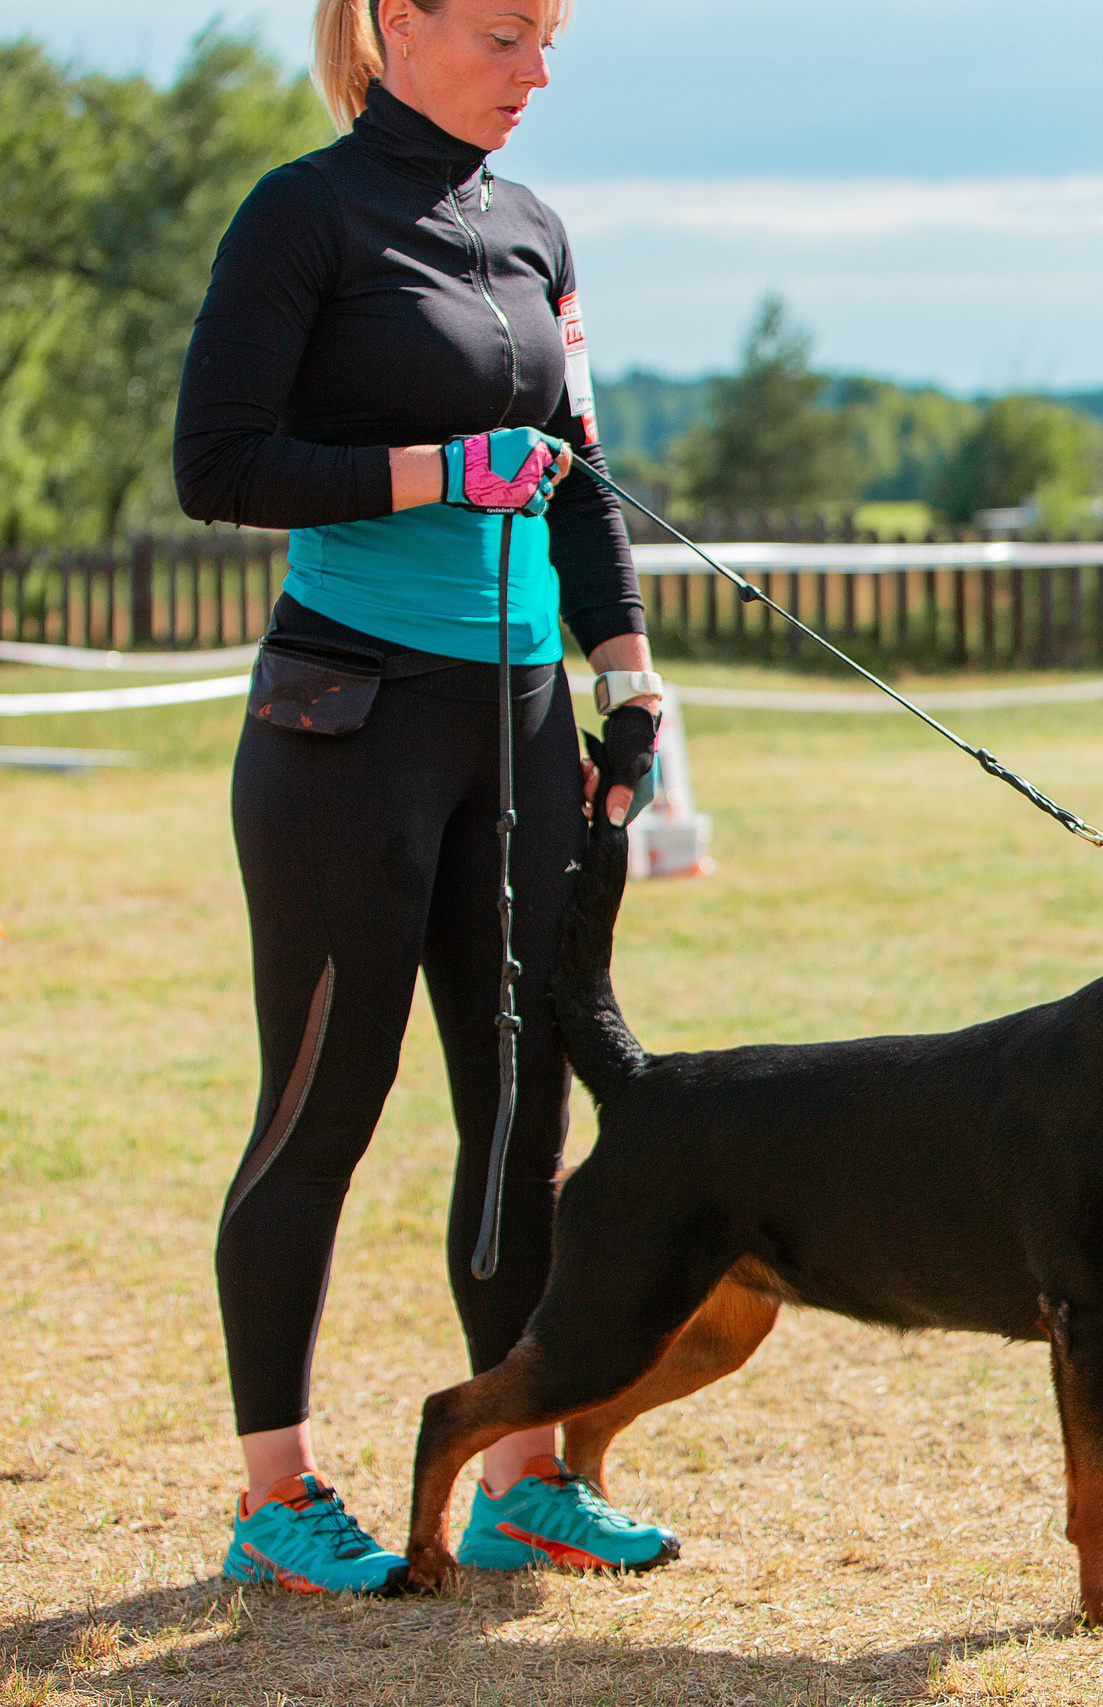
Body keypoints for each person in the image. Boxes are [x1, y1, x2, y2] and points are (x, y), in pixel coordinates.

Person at [174, 0, 679, 1594]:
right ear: (394, 24)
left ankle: (522, 1467)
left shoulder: (535, 230)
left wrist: (624, 671)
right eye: (503, 35)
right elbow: (220, 464)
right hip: (350, 721)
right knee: (323, 1109)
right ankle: (278, 1492)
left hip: (523, 725)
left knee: (521, 1102)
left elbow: (579, 471)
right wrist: (433, 469)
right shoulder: (302, 214)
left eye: (548, 41)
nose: (538, 71)